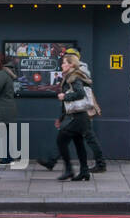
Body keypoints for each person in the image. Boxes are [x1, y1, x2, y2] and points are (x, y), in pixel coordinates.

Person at [38, 51, 93, 181]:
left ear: (71, 65)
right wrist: (61, 118)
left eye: (64, 63)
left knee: (61, 140)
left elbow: (80, 94)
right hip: (79, 116)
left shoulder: (73, 77)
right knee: (78, 143)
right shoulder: (71, 76)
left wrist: (65, 96)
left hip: (77, 117)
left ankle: (69, 170)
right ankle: (84, 171)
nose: (62, 65)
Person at [68, 50, 107, 172]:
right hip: (79, 110)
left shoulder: (80, 71)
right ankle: (52, 160)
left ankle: (100, 164)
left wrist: (66, 97)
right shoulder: (76, 71)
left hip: (82, 110)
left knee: (88, 137)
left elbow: (82, 92)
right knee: (68, 134)